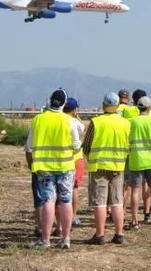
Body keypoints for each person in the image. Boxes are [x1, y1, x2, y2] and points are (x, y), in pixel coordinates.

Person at [26, 88, 81, 250]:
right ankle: (66, 238)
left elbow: (29, 147)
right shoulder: (69, 121)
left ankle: (45, 240)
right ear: (64, 103)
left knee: (48, 201)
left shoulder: (38, 120)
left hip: (44, 168)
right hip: (65, 167)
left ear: (50, 101)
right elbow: (77, 146)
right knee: (66, 201)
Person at [82, 92, 130, 245]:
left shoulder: (96, 122)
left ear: (103, 104)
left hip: (99, 167)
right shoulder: (126, 123)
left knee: (100, 202)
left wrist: (90, 158)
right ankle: (119, 234)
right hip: (118, 166)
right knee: (117, 201)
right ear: (117, 106)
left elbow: (86, 146)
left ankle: (100, 235)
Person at [126, 96, 151, 229]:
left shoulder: (131, 121)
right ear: (149, 108)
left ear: (138, 107)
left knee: (135, 190)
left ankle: (134, 220)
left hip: (136, 159)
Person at [63, 97, 86, 229]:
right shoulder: (74, 122)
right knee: (74, 188)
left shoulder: (60, 119)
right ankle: (73, 216)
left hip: (63, 158)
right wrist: (78, 117)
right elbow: (83, 128)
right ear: (74, 109)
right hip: (76, 158)